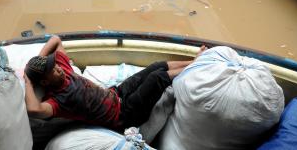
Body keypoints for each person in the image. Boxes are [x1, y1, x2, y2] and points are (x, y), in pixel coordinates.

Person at [23, 35, 207, 129]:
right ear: (45, 83)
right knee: (157, 78)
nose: (59, 68)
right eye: (53, 71)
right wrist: (28, 80)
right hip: (124, 115)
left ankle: (195, 62)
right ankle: (202, 65)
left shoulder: (62, 68)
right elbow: (33, 109)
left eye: (55, 66)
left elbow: (55, 39)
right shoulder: (57, 101)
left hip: (116, 93)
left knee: (156, 66)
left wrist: (39, 60)